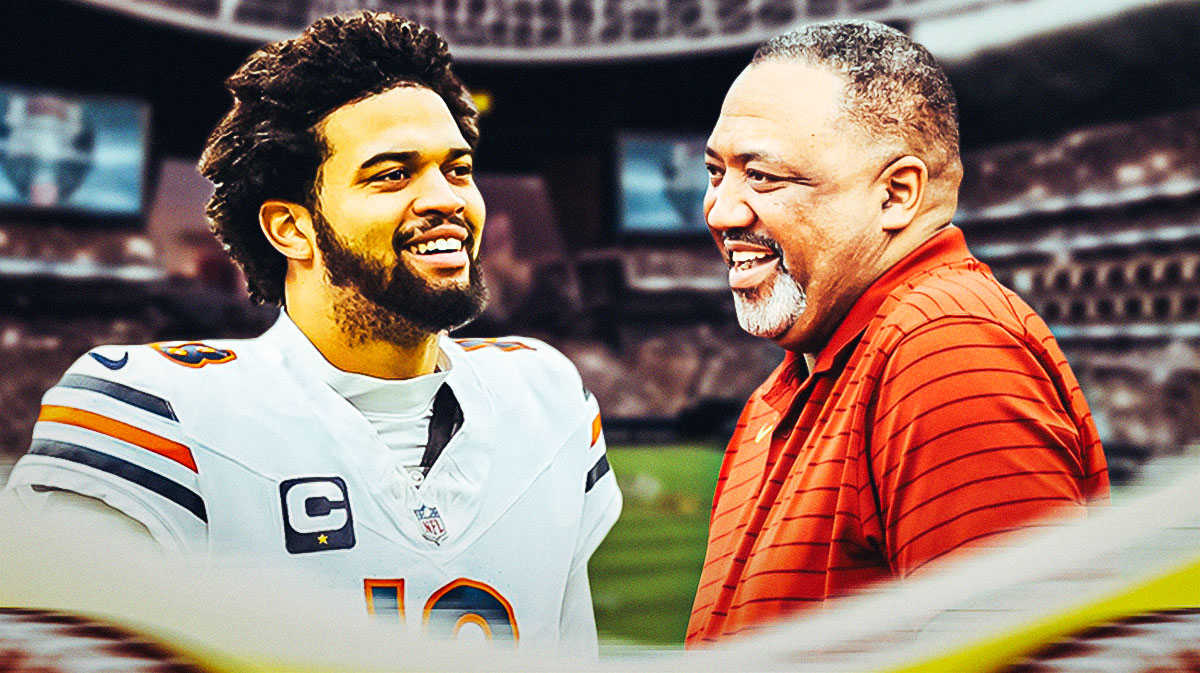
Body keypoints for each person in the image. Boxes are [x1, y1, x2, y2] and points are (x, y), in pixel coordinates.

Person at [1, 12, 620, 652]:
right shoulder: (156, 409)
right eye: (392, 174)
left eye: (457, 169)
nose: (447, 198)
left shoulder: (546, 397)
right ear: (290, 228)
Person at [687, 20, 1108, 646]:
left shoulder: (945, 350)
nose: (719, 211)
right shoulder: (796, 379)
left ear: (897, 193)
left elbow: (1025, 657)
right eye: (717, 172)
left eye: (764, 176)